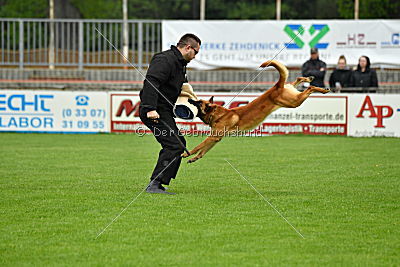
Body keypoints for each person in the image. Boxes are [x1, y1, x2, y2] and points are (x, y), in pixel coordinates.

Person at [139, 33, 201, 195]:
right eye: (196, 52)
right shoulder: (164, 60)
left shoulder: (180, 64)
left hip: (164, 111)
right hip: (154, 111)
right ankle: (155, 184)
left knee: (179, 143)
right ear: (188, 47)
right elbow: (151, 83)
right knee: (173, 145)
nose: (195, 56)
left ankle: (159, 183)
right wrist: (150, 108)